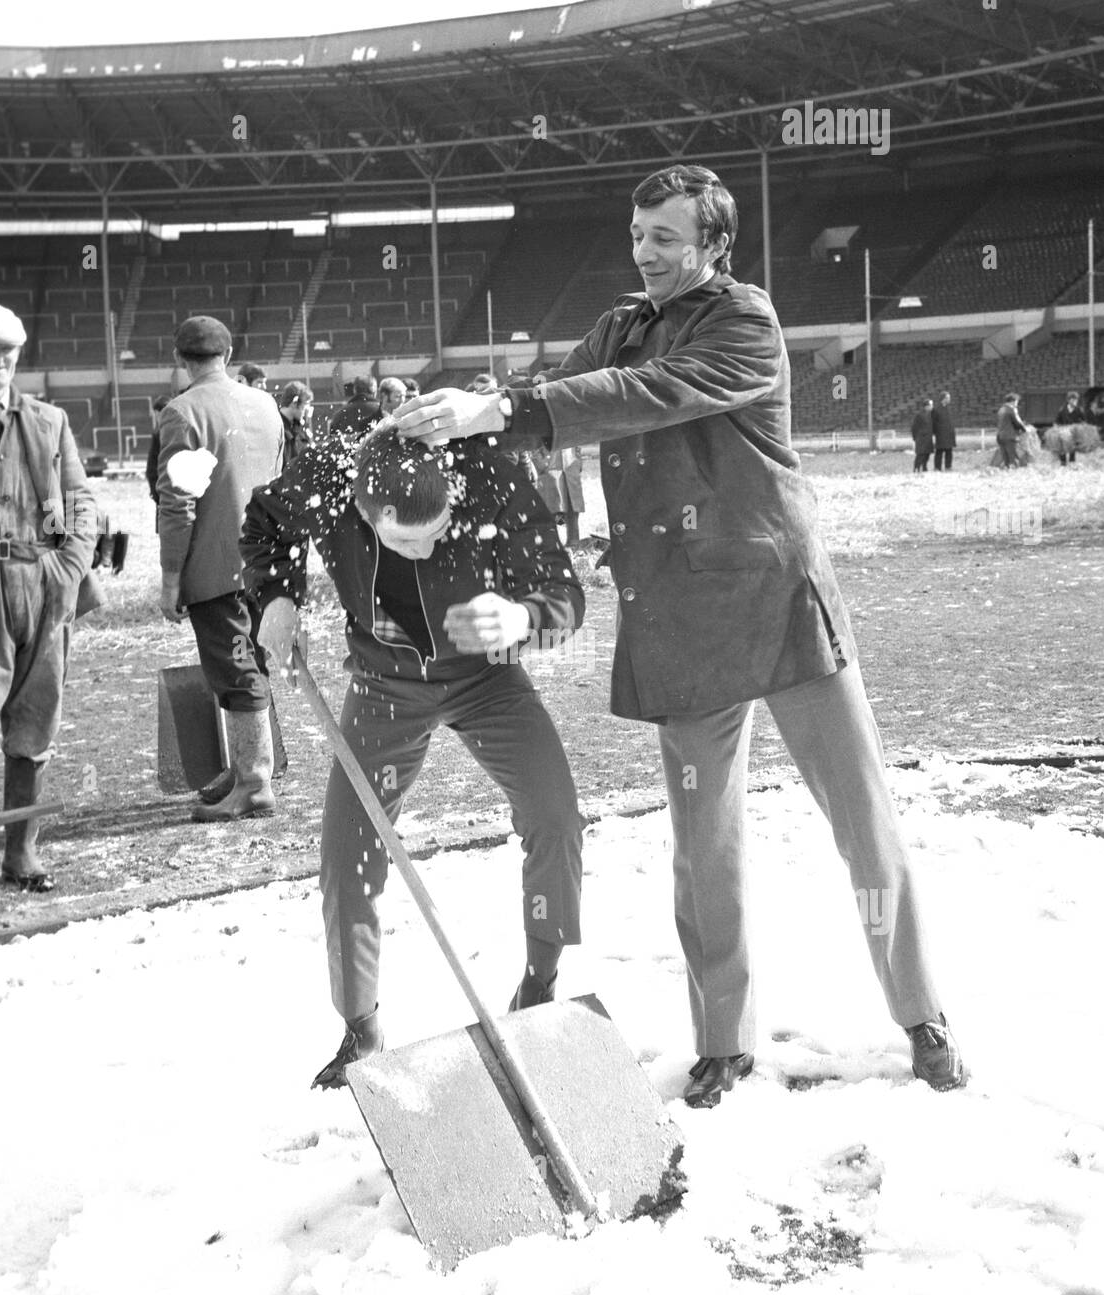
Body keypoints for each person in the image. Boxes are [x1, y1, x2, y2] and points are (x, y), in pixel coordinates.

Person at [394, 162, 966, 1106]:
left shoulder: (745, 321)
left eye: (665, 237)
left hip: (776, 597)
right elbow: (565, 395)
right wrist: (453, 428)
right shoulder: (620, 322)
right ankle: (722, 1040)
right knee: (704, 844)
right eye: (636, 234)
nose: (645, 252)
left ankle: (922, 1017)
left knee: (863, 827)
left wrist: (502, 409)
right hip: (678, 613)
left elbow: (650, 393)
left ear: (712, 246)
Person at [241, 423, 585, 1088]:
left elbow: (563, 592)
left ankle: (542, 978)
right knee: (347, 853)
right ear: (363, 511)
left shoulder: (491, 474)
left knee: (556, 816)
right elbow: (262, 520)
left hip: (488, 677)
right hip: (383, 685)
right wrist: (277, 595)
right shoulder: (327, 479)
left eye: (438, 530)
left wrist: (524, 619)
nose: (424, 548)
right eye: (405, 540)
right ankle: (360, 1026)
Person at [0, 304, 103, 891]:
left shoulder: (49, 421)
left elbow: (81, 503)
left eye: (8, 351)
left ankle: (20, 853)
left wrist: (69, 567)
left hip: (40, 582)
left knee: (34, 725)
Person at [157, 315, 285, 820]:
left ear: (180, 359)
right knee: (256, 662)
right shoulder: (265, 404)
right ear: (228, 355)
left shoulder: (182, 412)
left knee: (236, 671)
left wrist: (171, 577)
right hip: (267, 563)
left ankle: (254, 783)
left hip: (219, 568)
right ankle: (247, 767)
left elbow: (178, 504)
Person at [277, 380, 314, 470]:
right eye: (305, 404)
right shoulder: (278, 427)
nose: (307, 410)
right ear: (294, 403)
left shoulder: (298, 427)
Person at [145, 393, 172, 515]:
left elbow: (151, 469)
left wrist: (156, 494)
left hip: (163, 492)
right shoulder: (182, 430)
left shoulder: (159, 434)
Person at [1050, 391, 1086, 465]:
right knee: (1062, 445)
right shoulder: (1062, 410)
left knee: (1072, 446)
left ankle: (1072, 461)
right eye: (1073, 400)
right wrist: (1055, 428)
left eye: (1076, 400)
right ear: (1069, 400)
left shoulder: (1079, 410)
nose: (1075, 402)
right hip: (1064, 430)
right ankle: (1063, 461)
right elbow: (1057, 421)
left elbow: (1084, 421)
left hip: (1073, 431)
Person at [995, 392, 1027, 468]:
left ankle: (1007, 472)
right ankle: (1014, 473)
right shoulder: (1011, 410)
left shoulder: (1001, 409)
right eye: (1017, 401)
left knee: (1005, 457)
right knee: (1013, 457)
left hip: (1000, 436)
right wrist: (1024, 429)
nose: (1017, 403)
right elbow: (1017, 423)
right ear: (1013, 401)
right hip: (1009, 436)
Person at [931, 390, 956, 472]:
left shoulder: (949, 409)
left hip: (949, 434)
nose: (949, 399)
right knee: (939, 451)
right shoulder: (936, 409)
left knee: (949, 451)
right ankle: (937, 468)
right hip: (941, 435)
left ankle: (948, 467)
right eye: (948, 398)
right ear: (943, 399)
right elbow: (933, 423)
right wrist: (936, 433)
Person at [911, 397, 934, 473]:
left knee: (927, 454)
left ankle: (924, 467)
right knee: (920, 454)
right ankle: (916, 468)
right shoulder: (919, 415)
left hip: (928, 438)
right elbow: (914, 427)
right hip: (921, 438)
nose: (932, 406)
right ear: (926, 406)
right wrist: (915, 437)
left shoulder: (930, 414)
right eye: (931, 405)